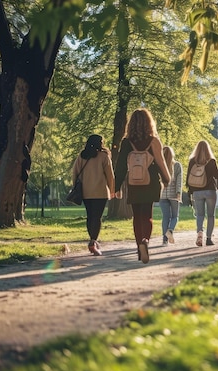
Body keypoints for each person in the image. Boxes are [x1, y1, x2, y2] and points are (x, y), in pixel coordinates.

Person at [114, 108, 172, 264]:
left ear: (130, 124)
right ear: (149, 123)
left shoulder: (126, 142)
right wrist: (167, 179)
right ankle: (145, 241)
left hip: (133, 182)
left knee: (137, 216)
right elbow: (161, 163)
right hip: (151, 181)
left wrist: (116, 187)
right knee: (147, 215)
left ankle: (139, 244)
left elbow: (120, 166)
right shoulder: (154, 141)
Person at [71, 134, 116, 256]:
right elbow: (110, 176)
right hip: (100, 192)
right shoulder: (104, 156)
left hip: (85, 192)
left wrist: (75, 186)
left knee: (90, 216)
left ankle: (92, 240)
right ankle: (93, 241)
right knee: (97, 217)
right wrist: (112, 190)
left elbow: (74, 173)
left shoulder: (82, 156)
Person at [186, 140, 218, 246]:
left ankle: (200, 232)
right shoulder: (211, 161)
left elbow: (188, 179)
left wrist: (190, 193)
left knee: (200, 215)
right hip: (210, 191)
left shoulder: (192, 161)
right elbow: (217, 175)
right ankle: (209, 238)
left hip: (197, 192)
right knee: (210, 215)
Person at [159, 146, 182, 246]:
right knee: (175, 216)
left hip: (162, 195)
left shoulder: (159, 165)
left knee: (165, 217)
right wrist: (178, 192)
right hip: (173, 195)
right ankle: (170, 231)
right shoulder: (177, 165)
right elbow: (179, 181)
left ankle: (164, 240)